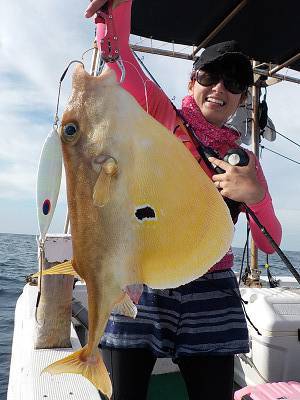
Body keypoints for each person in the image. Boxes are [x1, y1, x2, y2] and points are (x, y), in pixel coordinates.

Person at [85, 1, 282, 399]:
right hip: (145, 277)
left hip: (212, 288)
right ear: (192, 81)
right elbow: (119, 59)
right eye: (210, 75)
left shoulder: (246, 163)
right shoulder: (160, 116)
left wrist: (255, 198)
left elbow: (269, 243)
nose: (219, 88)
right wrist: (117, 8)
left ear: (243, 98)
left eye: (234, 82)